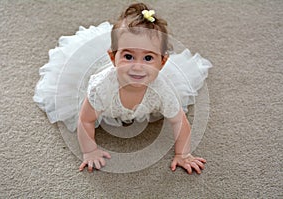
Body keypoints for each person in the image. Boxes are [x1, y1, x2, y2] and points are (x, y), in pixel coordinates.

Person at [33, 3, 212, 174]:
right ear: (113, 57)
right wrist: (90, 151)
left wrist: (183, 154)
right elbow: (86, 120)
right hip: (102, 87)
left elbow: (180, 121)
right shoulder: (101, 86)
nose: (137, 67)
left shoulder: (163, 89)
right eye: (128, 56)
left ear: (162, 62)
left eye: (148, 58)